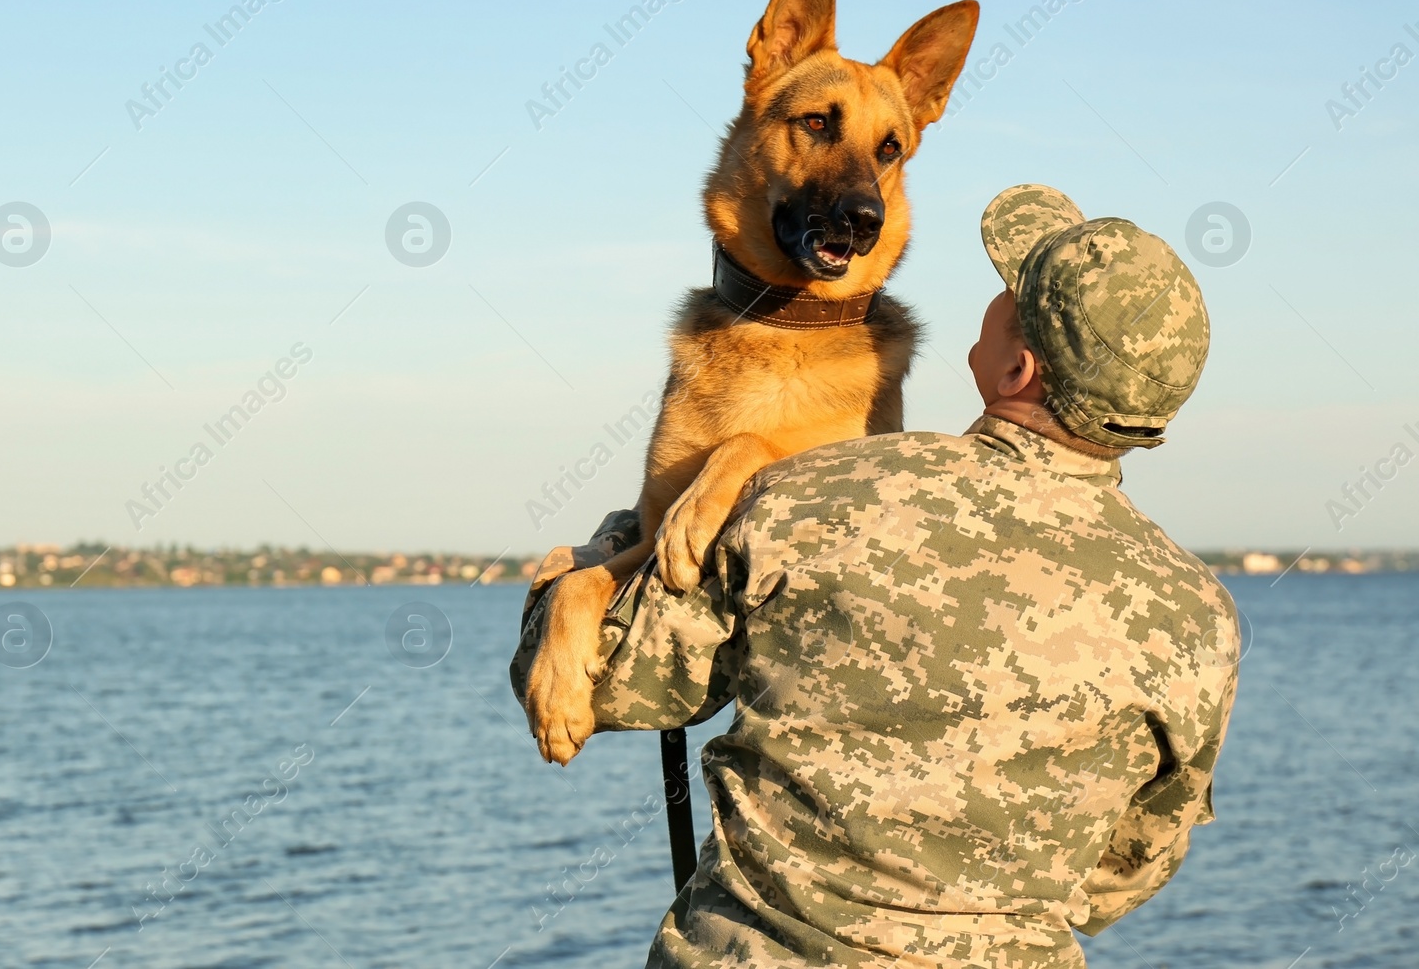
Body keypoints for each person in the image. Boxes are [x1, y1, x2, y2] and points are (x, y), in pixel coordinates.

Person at [510, 184, 1240, 968]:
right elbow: (1122, 873)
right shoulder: (1198, 617)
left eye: (1009, 296)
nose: (993, 300)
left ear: (1017, 369)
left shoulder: (806, 495)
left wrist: (613, 542)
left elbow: (613, 681)